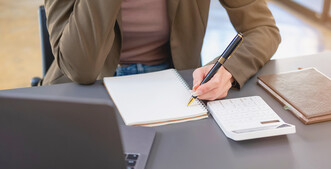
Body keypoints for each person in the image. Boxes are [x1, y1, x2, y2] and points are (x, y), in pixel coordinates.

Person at [43, 0, 280, 101]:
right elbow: (81, 68)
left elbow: (262, 28)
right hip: (87, 87)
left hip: (175, 85)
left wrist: (228, 70)